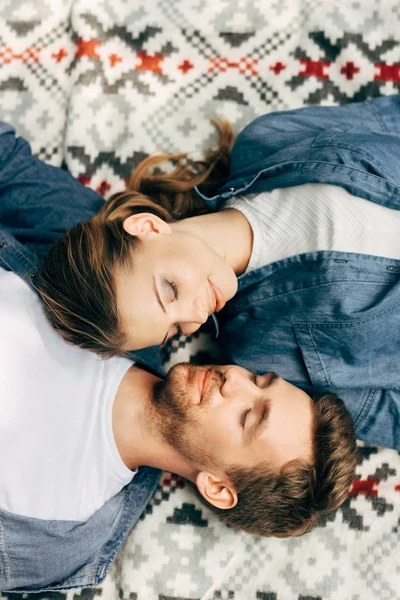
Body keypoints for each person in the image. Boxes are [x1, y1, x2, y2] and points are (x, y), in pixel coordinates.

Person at [0, 122, 357, 591]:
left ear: (217, 487)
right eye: (259, 379)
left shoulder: (63, 537)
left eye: (249, 416)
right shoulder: (115, 279)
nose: (234, 380)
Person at [38, 94, 400, 451]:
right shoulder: (263, 353)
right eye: (175, 330)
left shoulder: (267, 140)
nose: (196, 316)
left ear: (148, 227)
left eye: (171, 290)